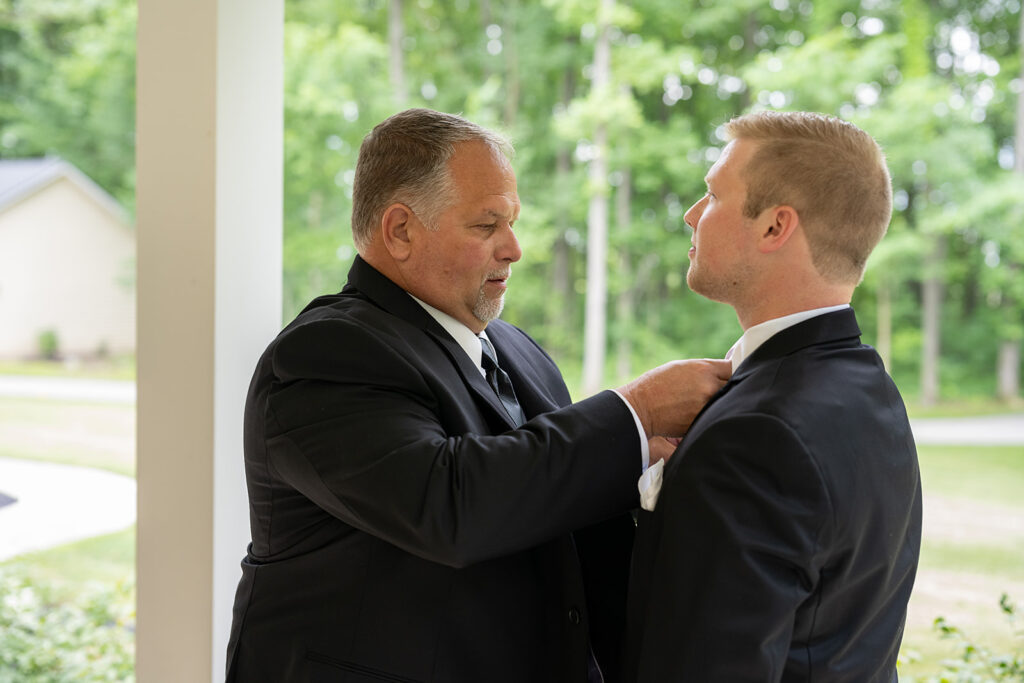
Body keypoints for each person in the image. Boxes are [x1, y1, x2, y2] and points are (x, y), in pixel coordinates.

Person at [225, 108, 731, 682]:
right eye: (486, 226)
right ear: (400, 231)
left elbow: (566, 522)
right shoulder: (325, 354)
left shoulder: (518, 350)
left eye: (513, 222)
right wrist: (634, 414)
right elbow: (451, 508)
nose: (514, 248)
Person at [624, 111, 922, 681]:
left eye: (711, 195)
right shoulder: (871, 387)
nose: (691, 214)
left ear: (773, 227)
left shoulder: (756, 433)